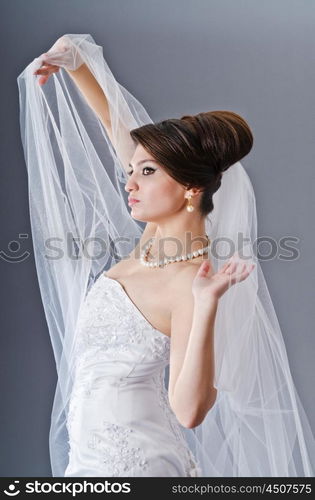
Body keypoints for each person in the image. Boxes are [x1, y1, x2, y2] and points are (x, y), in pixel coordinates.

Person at [17, 34, 315, 477]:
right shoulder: (154, 241)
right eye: (130, 170)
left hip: (140, 468)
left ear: (191, 189)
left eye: (147, 173)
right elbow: (113, 125)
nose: (129, 182)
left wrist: (208, 303)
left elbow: (189, 411)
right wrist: (76, 62)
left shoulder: (192, 279)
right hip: (89, 463)